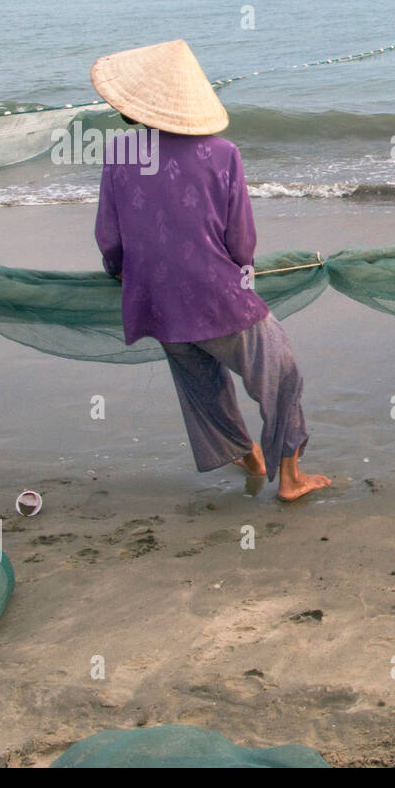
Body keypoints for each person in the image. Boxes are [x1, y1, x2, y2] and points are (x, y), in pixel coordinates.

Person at [92, 39, 330, 501]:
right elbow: (241, 241)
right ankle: (291, 480)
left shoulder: (118, 153)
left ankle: (249, 458)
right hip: (216, 296)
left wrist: (120, 271)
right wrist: (243, 276)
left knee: (203, 385)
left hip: (155, 303)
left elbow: (110, 238)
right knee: (283, 376)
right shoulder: (222, 153)